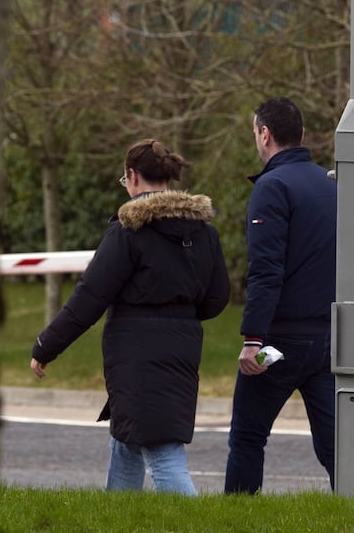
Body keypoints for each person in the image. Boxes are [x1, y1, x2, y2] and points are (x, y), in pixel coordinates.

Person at [30, 138, 230, 496]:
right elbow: (217, 298)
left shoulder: (129, 231)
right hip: (183, 346)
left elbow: (90, 297)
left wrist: (46, 345)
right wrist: (180, 315)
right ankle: (116, 517)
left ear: (132, 176)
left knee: (162, 451)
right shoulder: (204, 232)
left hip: (135, 350)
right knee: (126, 438)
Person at [224, 97, 337, 494]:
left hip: (281, 341)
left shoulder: (272, 187)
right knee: (337, 448)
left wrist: (253, 339)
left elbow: (266, 270)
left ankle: (238, 519)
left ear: (264, 134)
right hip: (329, 339)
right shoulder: (332, 184)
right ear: (302, 135)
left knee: (248, 438)